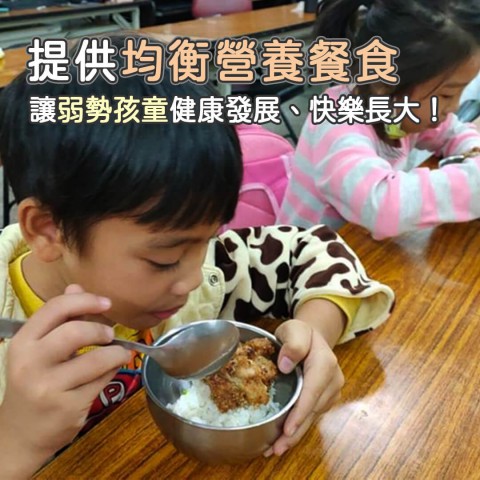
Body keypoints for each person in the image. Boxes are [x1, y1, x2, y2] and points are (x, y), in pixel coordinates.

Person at [0, 34, 394, 479]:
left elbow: (314, 248)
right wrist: (14, 443)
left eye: (208, 239)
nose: (192, 278)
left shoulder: (206, 272)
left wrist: (314, 334)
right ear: (48, 229)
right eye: (165, 259)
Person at [279, 0, 480, 239]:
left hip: (352, 246)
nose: (454, 107)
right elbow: (382, 205)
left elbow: (451, 132)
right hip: (302, 255)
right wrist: (472, 184)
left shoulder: (397, 108)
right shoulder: (338, 124)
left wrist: (474, 151)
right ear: (384, 83)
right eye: (447, 94)